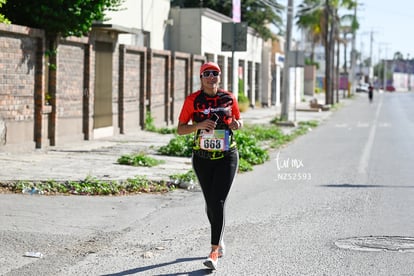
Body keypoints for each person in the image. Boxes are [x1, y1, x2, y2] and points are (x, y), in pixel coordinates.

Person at [177, 61, 243, 270]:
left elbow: (239, 121)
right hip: (202, 158)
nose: (211, 77)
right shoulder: (193, 100)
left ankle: (213, 251)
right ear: (201, 78)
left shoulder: (229, 97)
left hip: (227, 156)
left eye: (215, 73)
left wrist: (236, 124)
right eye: (207, 74)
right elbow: (180, 129)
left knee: (218, 201)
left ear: (220, 77)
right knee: (210, 202)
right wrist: (198, 125)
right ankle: (220, 238)